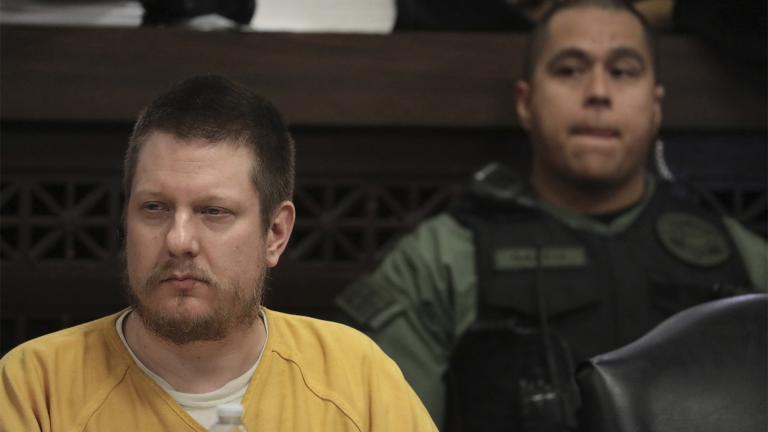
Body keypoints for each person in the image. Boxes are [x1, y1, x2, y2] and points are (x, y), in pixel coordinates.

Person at [335, 0, 767, 430]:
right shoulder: (439, 262)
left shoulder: (745, 258)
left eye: (622, 71)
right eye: (569, 70)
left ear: (655, 105)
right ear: (525, 102)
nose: (598, 91)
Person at [0, 75, 437, 432]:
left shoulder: (354, 375)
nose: (178, 240)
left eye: (214, 212)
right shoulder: (36, 385)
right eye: (154, 208)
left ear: (276, 234)